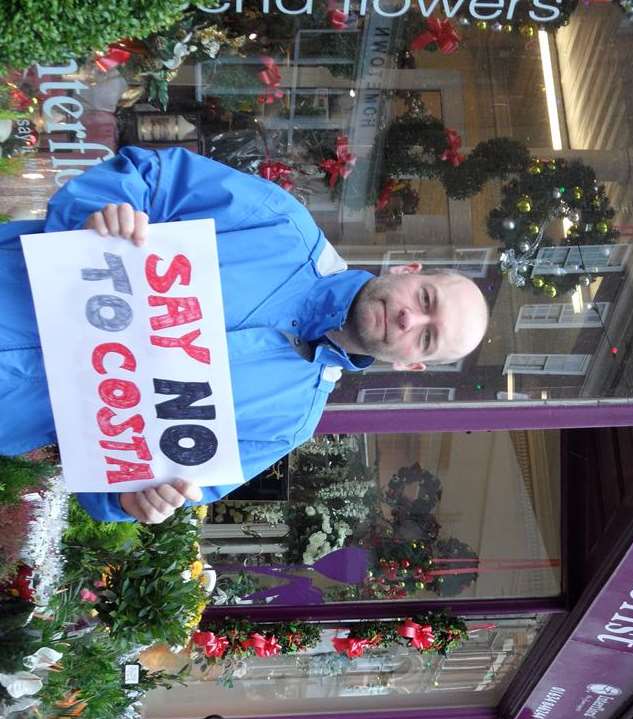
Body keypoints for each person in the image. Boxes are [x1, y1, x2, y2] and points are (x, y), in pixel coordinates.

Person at [0, 146, 488, 523]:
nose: (410, 320)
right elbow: (151, 175)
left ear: (410, 365)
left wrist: (133, 498)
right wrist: (105, 213)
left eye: (427, 338)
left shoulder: (288, 420)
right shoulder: (278, 223)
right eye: (425, 301)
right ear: (407, 269)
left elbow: (134, 487)